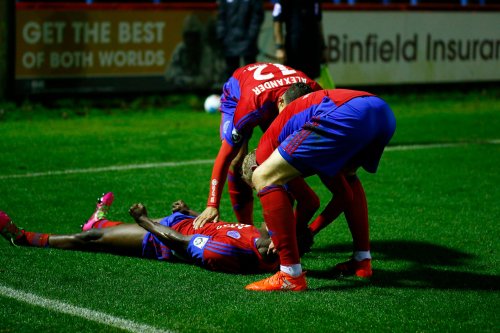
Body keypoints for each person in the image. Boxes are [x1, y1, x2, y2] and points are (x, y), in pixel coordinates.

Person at [245, 83, 396, 291]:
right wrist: (308, 232)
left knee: (265, 177)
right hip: (381, 111)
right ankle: (362, 261)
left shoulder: (264, 149)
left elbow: (307, 200)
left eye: (254, 189)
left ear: (253, 164)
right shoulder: (306, 138)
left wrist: (288, 238)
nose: (259, 193)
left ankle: (290, 275)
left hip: (344, 113)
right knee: (349, 176)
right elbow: (344, 194)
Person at [0, 193, 278, 274]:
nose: (269, 217)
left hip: (160, 239)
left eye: (275, 221)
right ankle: (96, 221)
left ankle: (22, 237)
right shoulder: (258, 236)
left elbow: (181, 243)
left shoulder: (230, 254)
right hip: (177, 222)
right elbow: (222, 228)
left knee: (92, 242)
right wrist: (192, 212)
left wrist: (144, 221)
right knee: (109, 231)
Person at [193, 62, 322, 228]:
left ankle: (283, 226)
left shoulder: (315, 91)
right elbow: (225, 156)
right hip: (239, 96)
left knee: (282, 159)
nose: (293, 122)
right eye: (290, 115)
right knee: (236, 161)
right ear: (282, 102)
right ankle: (246, 228)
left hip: (271, 93)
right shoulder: (251, 107)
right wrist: (212, 205)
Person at [272, 0, 326, 80]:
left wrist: (322, 47)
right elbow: (277, 22)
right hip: (293, 48)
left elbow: (318, 23)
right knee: (294, 79)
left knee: (311, 81)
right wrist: (279, 47)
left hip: (313, 47)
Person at [216, 0, 264, 79]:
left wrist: (251, 35)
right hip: (229, 40)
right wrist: (221, 35)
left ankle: (250, 91)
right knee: (231, 73)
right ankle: (233, 91)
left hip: (248, 40)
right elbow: (221, 17)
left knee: (250, 73)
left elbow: (257, 17)